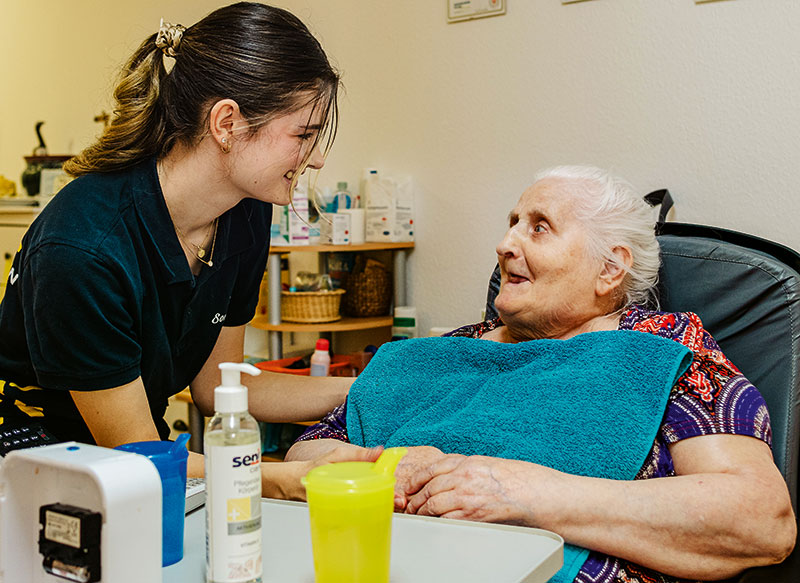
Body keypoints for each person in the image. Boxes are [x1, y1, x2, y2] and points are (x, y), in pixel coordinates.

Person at [287, 166, 797, 582]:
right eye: (511, 223)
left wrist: (525, 494)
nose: (504, 244)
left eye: (538, 227)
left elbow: (758, 519)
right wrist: (382, 467)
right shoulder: (444, 351)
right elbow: (304, 454)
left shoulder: (662, 348)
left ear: (610, 269)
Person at [0, 2, 379, 499]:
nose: (317, 158)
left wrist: (372, 390)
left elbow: (219, 387)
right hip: (37, 470)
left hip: (142, 463)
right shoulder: (83, 249)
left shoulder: (245, 210)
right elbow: (134, 451)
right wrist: (280, 479)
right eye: (303, 135)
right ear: (227, 123)